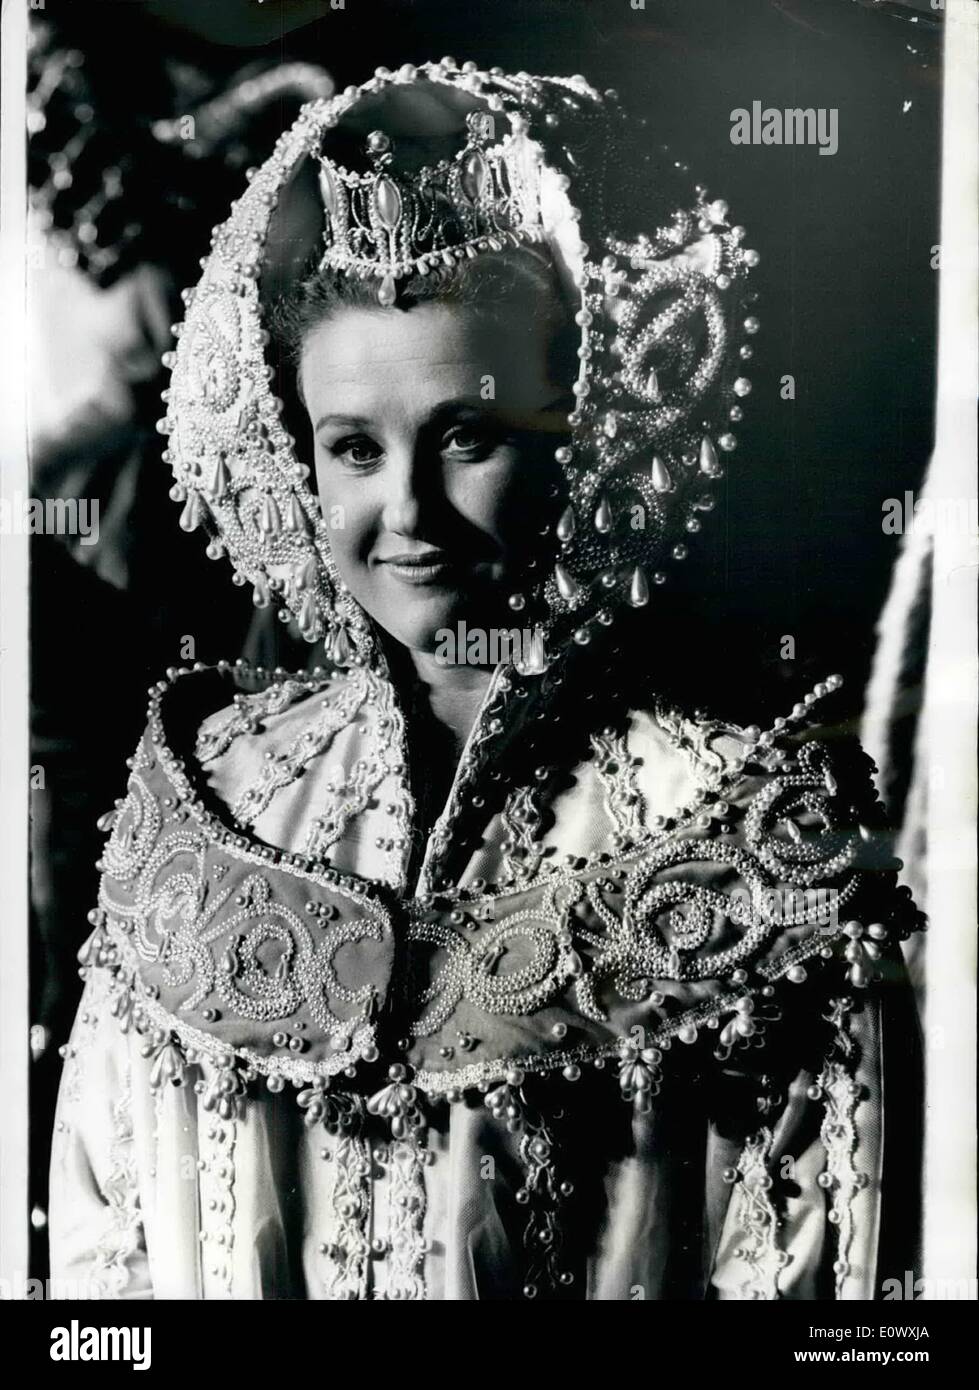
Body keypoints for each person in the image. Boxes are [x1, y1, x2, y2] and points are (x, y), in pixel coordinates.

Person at [49, 60, 924, 1301]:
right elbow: (105, 1246)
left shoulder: (741, 816)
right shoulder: (213, 793)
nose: (405, 513)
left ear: (582, 442)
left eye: (468, 437)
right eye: (353, 447)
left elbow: (815, 1278)